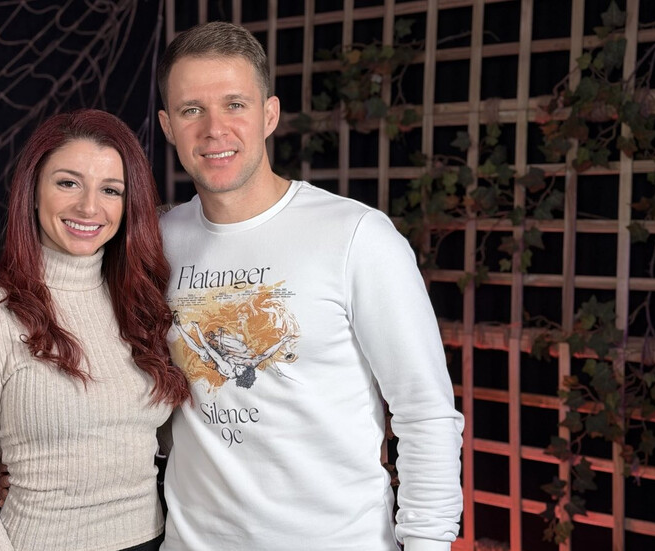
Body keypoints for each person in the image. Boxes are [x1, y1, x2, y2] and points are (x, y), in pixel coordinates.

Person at [153, 21, 464, 550]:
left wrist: (427, 543)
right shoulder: (158, 241)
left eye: (235, 105)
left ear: (269, 114)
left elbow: (425, 413)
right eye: (191, 110)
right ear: (167, 125)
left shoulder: (356, 236)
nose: (214, 129)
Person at [0, 109, 189, 551]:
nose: (89, 207)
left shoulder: (142, 305)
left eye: (110, 190)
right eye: (68, 183)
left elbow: (172, 440)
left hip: (155, 540)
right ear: (33, 191)